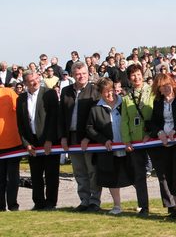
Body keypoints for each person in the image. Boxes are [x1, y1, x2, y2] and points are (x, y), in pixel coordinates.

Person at [148, 73, 176, 220]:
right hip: (164, 144)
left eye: (168, 84)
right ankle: (174, 208)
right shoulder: (157, 103)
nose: (166, 88)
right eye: (162, 86)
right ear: (158, 89)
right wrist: (159, 132)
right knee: (169, 175)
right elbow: (154, 122)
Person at [59, 61, 102, 212]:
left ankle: (94, 202)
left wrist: (89, 138)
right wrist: (63, 137)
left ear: (88, 73)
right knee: (79, 171)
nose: (81, 76)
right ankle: (84, 200)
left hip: (89, 138)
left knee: (92, 170)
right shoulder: (66, 91)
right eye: (78, 74)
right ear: (72, 75)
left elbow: (97, 117)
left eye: (84, 73)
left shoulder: (95, 90)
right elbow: (62, 116)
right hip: (72, 137)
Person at [86, 78, 134, 215]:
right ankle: (117, 206)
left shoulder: (124, 102)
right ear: (100, 93)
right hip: (109, 151)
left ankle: (143, 205)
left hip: (128, 147)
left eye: (111, 90)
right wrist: (103, 140)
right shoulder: (95, 108)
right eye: (106, 92)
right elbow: (90, 128)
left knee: (135, 175)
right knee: (113, 179)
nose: (109, 94)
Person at [16, 71, 60, 210]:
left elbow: (54, 118)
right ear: (25, 84)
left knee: (51, 174)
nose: (35, 82)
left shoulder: (49, 94)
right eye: (31, 80)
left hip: (49, 140)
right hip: (32, 141)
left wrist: (49, 140)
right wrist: (26, 144)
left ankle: (51, 202)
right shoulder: (21, 99)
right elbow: (21, 123)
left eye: (36, 79)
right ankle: (38, 202)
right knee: (36, 175)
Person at [120, 64, 158, 216]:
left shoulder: (153, 91)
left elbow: (157, 113)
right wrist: (127, 140)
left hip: (152, 138)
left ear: (143, 74)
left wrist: (153, 132)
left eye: (138, 74)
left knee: (161, 173)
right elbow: (124, 121)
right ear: (129, 78)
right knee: (139, 175)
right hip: (135, 141)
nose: (136, 78)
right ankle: (144, 206)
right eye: (133, 75)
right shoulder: (126, 98)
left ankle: (171, 205)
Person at [0, 84, 21, 211]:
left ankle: (13, 205)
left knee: (13, 178)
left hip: (13, 143)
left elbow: (21, 110)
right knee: (1, 178)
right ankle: (1, 207)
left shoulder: (8, 93)